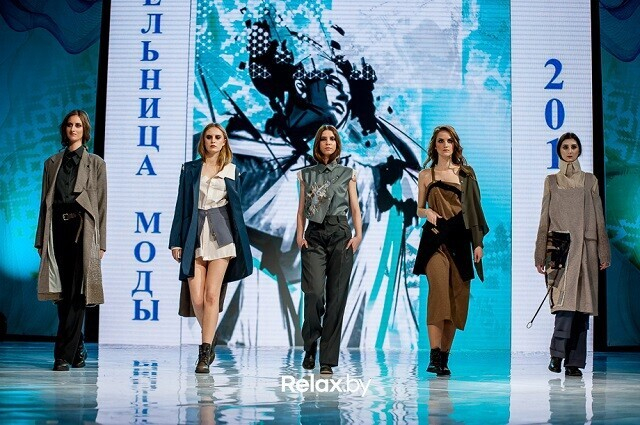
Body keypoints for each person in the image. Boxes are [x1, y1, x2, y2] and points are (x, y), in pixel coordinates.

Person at [169, 123, 253, 374]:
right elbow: (181, 205)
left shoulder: (232, 170)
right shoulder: (190, 169)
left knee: (211, 296)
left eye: (218, 137)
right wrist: (175, 241)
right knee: (196, 298)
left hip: (222, 235)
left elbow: (237, 209)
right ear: (203, 141)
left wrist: (241, 241)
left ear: (224, 141)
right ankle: (211, 335)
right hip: (194, 234)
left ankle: (204, 352)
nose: (213, 141)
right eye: (209, 137)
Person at [35, 109, 107, 371]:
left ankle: (62, 355)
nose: (73, 129)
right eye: (69, 125)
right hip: (56, 228)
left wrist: (101, 243)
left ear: (85, 130)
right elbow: (44, 204)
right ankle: (77, 347)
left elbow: (101, 205)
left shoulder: (95, 163)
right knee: (62, 293)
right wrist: (41, 239)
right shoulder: (52, 163)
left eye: (78, 125)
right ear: (64, 129)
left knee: (79, 291)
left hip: (83, 229)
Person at [413, 125, 488, 376]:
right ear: (434, 145)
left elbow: (475, 211)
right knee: (439, 294)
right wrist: (426, 212)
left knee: (456, 299)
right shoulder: (426, 174)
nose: (445, 145)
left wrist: (478, 243)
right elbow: (418, 208)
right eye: (441, 141)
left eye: (449, 141)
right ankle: (434, 355)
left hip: (460, 240)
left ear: (455, 145)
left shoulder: (466, 174)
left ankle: (444, 358)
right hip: (434, 239)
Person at [535, 132, 610, 377]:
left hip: (586, 249)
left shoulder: (590, 181)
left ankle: (574, 363)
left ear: (579, 150)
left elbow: (599, 218)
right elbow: (544, 219)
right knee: (564, 305)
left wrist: (603, 251)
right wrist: (539, 254)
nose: (569, 151)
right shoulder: (551, 181)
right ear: (559, 151)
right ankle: (556, 356)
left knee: (582, 307)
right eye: (565, 147)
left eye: (573, 147)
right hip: (560, 249)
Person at [297, 124, 363, 376]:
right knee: (313, 292)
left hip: (340, 234)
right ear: (318, 144)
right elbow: (301, 210)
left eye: (332, 139)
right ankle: (310, 344)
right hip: (314, 235)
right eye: (323, 139)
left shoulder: (348, 174)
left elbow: (355, 207)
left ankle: (327, 360)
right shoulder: (306, 174)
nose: (328, 142)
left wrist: (358, 235)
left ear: (337, 144)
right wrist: (299, 235)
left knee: (336, 298)